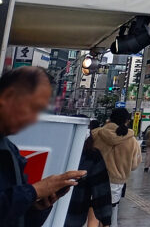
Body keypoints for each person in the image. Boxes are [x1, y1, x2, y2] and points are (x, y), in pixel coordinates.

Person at [0, 67, 86, 227]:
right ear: (8, 96)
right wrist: (35, 191)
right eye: (33, 108)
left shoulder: (12, 152)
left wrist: (37, 207)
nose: (34, 119)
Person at [91, 107, 141, 226]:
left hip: (94, 179)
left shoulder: (96, 134)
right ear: (127, 121)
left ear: (110, 119)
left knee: (92, 213)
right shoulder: (132, 140)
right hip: (116, 183)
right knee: (109, 216)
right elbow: (134, 165)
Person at [66, 120, 112, 227]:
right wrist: (106, 220)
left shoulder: (59, 152)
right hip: (76, 214)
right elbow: (101, 190)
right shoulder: (91, 155)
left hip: (46, 212)